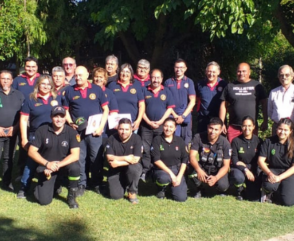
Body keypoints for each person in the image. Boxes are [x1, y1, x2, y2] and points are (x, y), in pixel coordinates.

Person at [63, 66, 109, 196]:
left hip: (95, 131)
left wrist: (101, 128)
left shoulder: (97, 89)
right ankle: (82, 183)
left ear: (87, 74)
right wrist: (70, 122)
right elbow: (66, 110)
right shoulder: (70, 91)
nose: (77, 77)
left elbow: (106, 109)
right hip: (78, 132)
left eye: (80, 75)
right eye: (76, 75)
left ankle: (96, 183)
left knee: (96, 158)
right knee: (80, 158)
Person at [18, 75, 62, 198]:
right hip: (35, 135)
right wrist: (24, 138)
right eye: (43, 83)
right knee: (31, 162)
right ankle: (23, 187)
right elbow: (23, 119)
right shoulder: (31, 99)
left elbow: (64, 115)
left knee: (55, 160)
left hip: (53, 134)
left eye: (49, 84)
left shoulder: (57, 98)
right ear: (38, 85)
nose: (46, 86)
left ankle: (56, 185)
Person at [28, 106, 80, 208]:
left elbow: (75, 155)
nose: (59, 119)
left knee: (75, 168)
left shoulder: (72, 132)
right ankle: (55, 185)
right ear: (51, 117)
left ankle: (71, 197)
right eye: (56, 116)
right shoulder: (42, 130)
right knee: (43, 201)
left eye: (62, 116)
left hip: (63, 165)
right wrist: (47, 164)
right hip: (46, 166)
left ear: (65, 118)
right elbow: (31, 151)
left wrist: (57, 165)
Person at [140, 69, 175, 182]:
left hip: (161, 126)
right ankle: (146, 171)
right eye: (154, 77)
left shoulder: (167, 91)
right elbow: (141, 108)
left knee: (159, 149)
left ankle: (159, 170)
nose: (155, 80)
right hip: (146, 126)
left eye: (158, 77)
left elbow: (170, 108)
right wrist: (148, 121)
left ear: (162, 79)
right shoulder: (144, 90)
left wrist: (161, 121)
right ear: (150, 78)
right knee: (146, 149)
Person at [219, 62, 268, 142]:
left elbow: (264, 104)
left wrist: (265, 121)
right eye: (239, 71)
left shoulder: (257, 86)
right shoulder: (230, 86)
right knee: (233, 151)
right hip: (234, 127)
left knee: (251, 151)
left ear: (249, 72)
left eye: (244, 71)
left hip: (251, 127)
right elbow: (223, 105)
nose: (241, 73)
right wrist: (221, 123)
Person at [189, 117, 231, 198]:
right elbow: (192, 157)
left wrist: (216, 177)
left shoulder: (225, 143)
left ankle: (218, 189)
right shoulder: (198, 137)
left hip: (217, 169)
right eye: (211, 128)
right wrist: (199, 170)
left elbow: (226, 166)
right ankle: (199, 188)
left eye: (216, 129)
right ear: (207, 127)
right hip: (203, 167)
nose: (213, 132)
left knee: (223, 186)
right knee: (190, 167)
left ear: (221, 130)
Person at [92, 67, 118, 193]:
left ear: (105, 79)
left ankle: (103, 181)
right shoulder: (89, 90)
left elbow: (113, 111)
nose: (98, 79)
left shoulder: (109, 93)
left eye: (101, 77)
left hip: (106, 130)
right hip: (90, 129)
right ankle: (92, 181)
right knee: (92, 156)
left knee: (102, 155)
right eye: (96, 76)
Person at [105, 118, 143, 204]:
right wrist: (125, 158)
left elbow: (136, 159)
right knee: (115, 196)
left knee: (134, 168)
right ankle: (124, 184)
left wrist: (118, 163)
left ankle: (132, 191)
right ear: (118, 128)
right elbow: (109, 157)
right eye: (121, 129)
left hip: (131, 168)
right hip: (116, 171)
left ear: (131, 129)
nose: (124, 132)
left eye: (126, 129)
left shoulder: (137, 138)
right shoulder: (111, 138)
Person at [258, 118, 294, 206]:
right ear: (276, 129)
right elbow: (260, 160)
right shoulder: (268, 141)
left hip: (288, 172)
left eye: (286, 130)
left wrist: (280, 178)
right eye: (280, 129)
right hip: (272, 171)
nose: (282, 132)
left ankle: (279, 191)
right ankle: (268, 192)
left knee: (288, 202)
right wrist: (269, 173)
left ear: (290, 131)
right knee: (269, 186)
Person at [151, 118, 188, 202]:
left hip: (177, 169)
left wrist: (179, 177)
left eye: (171, 127)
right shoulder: (157, 140)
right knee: (164, 178)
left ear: (175, 128)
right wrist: (171, 174)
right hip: (162, 170)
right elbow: (156, 159)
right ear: (163, 127)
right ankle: (161, 189)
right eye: (166, 126)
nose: (168, 129)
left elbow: (184, 159)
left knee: (181, 198)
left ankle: (173, 187)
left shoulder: (180, 140)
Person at [0, 70, 24, 191]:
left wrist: (15, 128)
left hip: (12, 132)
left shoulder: (19, 95)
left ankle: (6, 182)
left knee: (8, 158)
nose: (5, 81)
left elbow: (23, 115)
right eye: (3, 78)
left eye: (8, 79)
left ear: (12, 81)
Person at [164, 59, 196, 146]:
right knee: (172, 140)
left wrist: (183, 116)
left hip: (185, 115)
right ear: (174, 68)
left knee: (186, 141)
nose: (179, 69)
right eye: (177, 67)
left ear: (185, 68)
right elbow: (166, 101)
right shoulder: (168, 82)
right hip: (172, 115)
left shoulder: (189, 82)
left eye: (181, 67)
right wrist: (174, 115)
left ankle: (185, 159)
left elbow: (192, 101)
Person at [230, 116, 262, 201]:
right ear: (241, 126)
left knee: (253, 198)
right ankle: (239, 190)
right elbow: (235, 161)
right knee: (238, 177)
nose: (247, 128)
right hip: (239, 168)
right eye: (244, 125)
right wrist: (245, 169)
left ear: (253, 127)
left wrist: (253, 170)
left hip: (254, 168)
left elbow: (261, 160)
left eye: (249, 126)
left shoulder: (259, 141)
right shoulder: (235, 141)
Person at [108, 63, 145, 132]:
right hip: (116, 124)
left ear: (131, 74)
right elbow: (107, 105)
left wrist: (138, 120)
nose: (125, 74)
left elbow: (141, 105)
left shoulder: (137, 85)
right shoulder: (112, 85)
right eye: (123, 71)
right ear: (119, 73)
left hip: (132, 124)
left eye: (127, 72)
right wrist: (112, 121)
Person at [196, 61, 227, 133]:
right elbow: (196, 99)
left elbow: (227, 103)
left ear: (218, 72)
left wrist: (222, 122)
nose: (211, 74)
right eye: (209, 71)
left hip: (219, 119)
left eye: (213, 72)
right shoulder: (200, 84)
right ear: (206, 72)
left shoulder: (224, 84)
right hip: (203, 119)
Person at [268, 65, 294, 135]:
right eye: (281, 75)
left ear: (292, 76)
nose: (284, 77)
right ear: (278, 77)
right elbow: (270, 111)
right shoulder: (273, 92)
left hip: (292, 128)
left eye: (287, 75)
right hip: (277, 128)